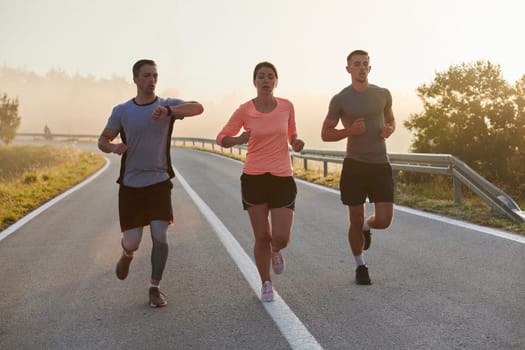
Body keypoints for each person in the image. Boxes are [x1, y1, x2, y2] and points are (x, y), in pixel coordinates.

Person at [98, 59, 204, 307]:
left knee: (160, 235)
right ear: (135, 79)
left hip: (158, 181)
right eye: (146, 76)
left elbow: (198, 108)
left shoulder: (167, 105)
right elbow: (102, 139)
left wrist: (169, 112)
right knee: (133, 240)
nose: (152, 80)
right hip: (131, 184)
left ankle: (154, 288)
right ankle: (127, 253)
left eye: (155, 75)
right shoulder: (122, 111)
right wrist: (113, 147)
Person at [216, 61, 305, 302]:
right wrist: (237, 140)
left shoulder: (287, 106)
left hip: (282, 177)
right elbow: (221, 137)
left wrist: (295, 141)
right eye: (261, 77)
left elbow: (291, 132)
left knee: (281, 237)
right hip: (254, 178)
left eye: (270, 77)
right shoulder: (245, 110)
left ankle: (276, 251)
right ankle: (266, 283)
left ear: (276, 82)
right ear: (254, 82)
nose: (266, 81)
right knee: (261, 237)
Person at [321, 50, 395, 285]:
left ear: (370, 68)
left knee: (384, 220)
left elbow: (391, 120)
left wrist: (389, 129)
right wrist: (349, 132)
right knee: (354, 218)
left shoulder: (383, 94)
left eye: (365, 64)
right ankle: (360, 266)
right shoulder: (340, 99)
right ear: (348, 69)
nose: (361, 68)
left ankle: (367, 225)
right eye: (356, 64)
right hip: (354, 165)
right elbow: (326, 134)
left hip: (380, 164)